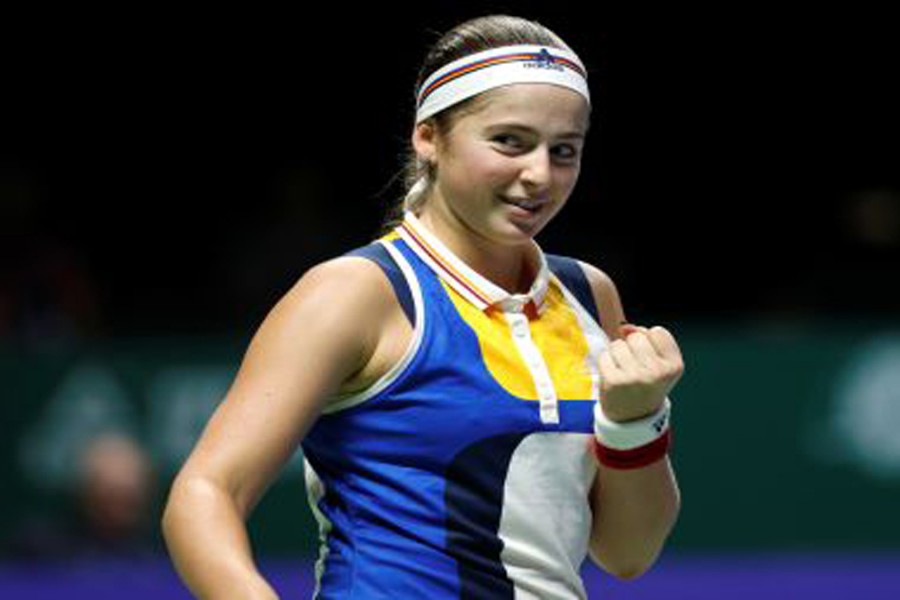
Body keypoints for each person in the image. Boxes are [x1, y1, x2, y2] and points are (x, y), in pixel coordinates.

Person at [163, 14, 683, 599]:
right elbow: (205, 494)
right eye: (509, 141)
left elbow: (627, 553)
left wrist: (636, 419)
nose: (539, 174)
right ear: (429, 137)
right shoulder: (358, 293)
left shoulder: (590, 294)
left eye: (564, 150)